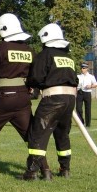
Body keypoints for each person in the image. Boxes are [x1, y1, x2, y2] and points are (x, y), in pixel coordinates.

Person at [0, 13, 51, 179]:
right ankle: (46, 171)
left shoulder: (0, 48)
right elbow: (34, 74)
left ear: (3, 29)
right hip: (22, 99)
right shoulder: (29, 51)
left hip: (2, 98)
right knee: (31, 136)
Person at [21, 23, 78, 181]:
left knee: (37, 133)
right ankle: (65, 169)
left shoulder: (45, 55)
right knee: (62, 134)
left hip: (53, 99)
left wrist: (29, 83)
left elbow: (36, 78)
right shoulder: (67, 56)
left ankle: (32, 172)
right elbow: (75, 79)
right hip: (70, 99)